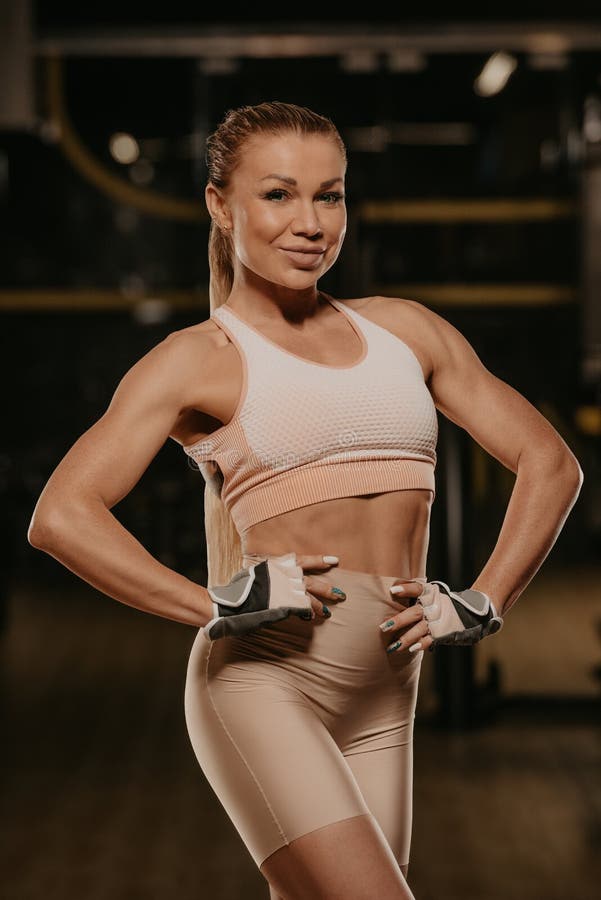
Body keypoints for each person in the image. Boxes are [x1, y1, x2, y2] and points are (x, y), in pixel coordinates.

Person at [27, 100, 583, 900]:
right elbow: (62, 515)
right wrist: (211, 604)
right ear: (221, 206)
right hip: (263, 683)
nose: (311, 221)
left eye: (330, 195)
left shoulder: (408, 333)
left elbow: (549, 461)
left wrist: (486, 598)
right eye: (279, 194)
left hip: (389, 695)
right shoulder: (198, 360)